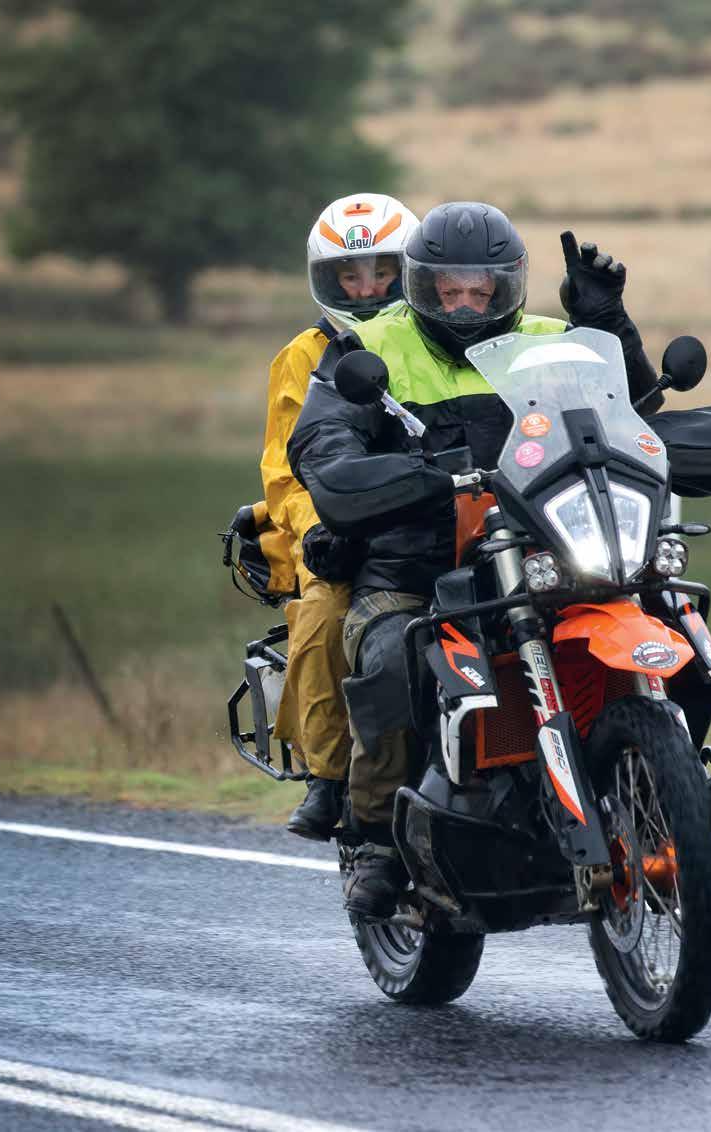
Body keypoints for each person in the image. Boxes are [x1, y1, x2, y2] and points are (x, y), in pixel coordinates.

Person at [288, 201, 663, 913]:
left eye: (481, 290)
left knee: (662, 601)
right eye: (449, 291)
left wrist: (608, 320)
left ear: (507, 286)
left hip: (546, 550)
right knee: (393, 654)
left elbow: (637, 411)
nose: (465, 305)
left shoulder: (551, 341)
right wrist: (383, 475)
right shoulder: (369, 347)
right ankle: (375, 838)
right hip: (414, 567)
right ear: (422, 287)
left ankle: (660, 778)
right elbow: (321, 443)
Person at [261, 192, 419, 840]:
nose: (367, 288)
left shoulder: (433, 339)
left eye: (382, 271)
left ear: (410, 270)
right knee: (326, 617)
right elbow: (284, 471)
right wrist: (321, 526)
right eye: (350, 276)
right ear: (325, 279)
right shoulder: (304, 355)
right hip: (345, 527)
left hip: (434, 516)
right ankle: (328, 777)